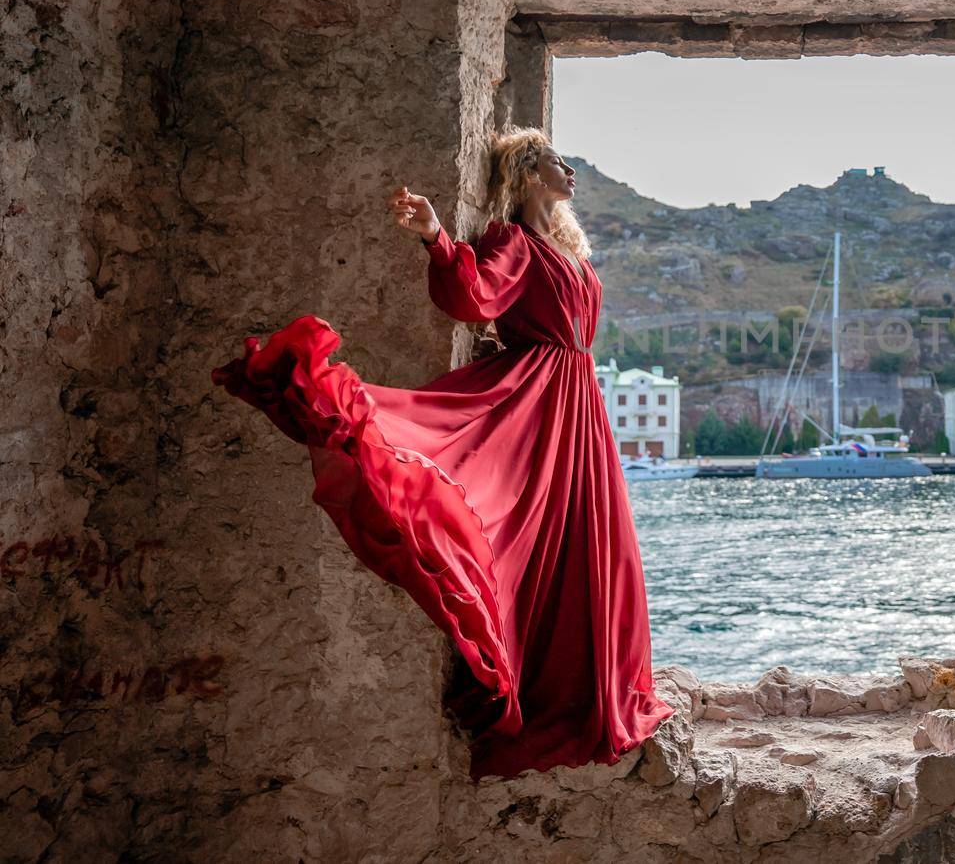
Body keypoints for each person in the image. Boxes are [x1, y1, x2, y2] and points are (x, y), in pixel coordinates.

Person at [210, 126, 674, 779]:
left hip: (578, 407)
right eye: (562, 162)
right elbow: (472, 298)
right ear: (531, 168)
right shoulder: (514, 242)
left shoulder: (572, 254)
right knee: (522, 537)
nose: (574, 172)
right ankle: (548, 690)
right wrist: (435, 235)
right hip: (536, 400)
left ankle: (600, 687)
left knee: (588, 547)